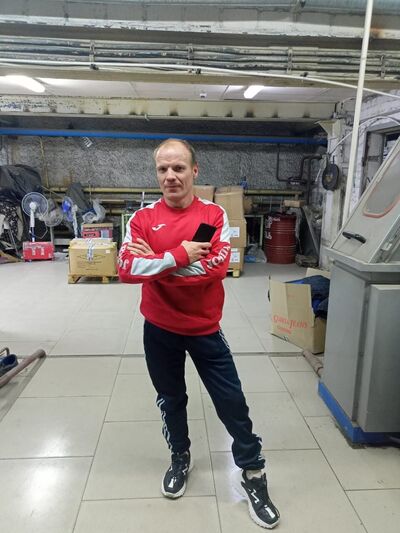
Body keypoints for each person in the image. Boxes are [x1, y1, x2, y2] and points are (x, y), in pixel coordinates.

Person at [118, 138, 280, 529]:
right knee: (170, 399)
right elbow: (125, 269)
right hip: (159, 329)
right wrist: (179, 256)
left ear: (194, 170)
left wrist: (156, 264)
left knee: (232, 402)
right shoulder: (141, 219)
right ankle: (180, 458)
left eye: (178, 168)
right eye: (163, 169)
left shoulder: (212, 215)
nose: (170, 176)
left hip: (204, 328)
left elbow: (214, 268)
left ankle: (253, 473)